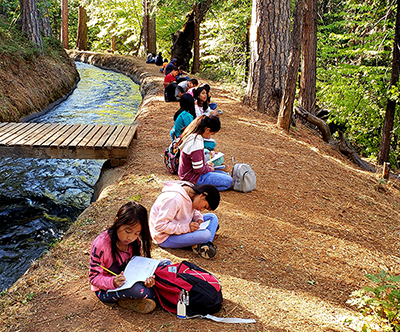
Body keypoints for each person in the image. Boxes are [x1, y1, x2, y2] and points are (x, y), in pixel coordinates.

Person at [89, 201, 170, 313]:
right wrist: (112, 282)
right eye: (128, 231)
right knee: (137, 290)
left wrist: (147, 278)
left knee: (166, 264)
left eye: (137, 233)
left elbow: (137, 264)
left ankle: (146, 295)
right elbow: (94, 278)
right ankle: (160, 294)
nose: (131, 237)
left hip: (130, 279)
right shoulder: (100, 245)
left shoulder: (134, 242)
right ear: (117, 222)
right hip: (106, 289)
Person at [149, 181, 220, 259]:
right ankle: (203, 242)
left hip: (180, 222)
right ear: (203, 195)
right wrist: (187, 227)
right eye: (205, 206)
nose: (202, 210)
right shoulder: (174, 199)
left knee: (212, 217)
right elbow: (160, 226)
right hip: (165, 236)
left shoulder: (192, 192)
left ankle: (206, 244)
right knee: (206, 234)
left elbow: (192, 208)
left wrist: (198, 218)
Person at [177, 115, 233, 191]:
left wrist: (206, 166)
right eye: (211, 134)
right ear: (207, 130)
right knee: (229, 181)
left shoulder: (192, 136)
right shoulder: (196, 142)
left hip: (188, 174)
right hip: (193, 177)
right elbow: (198, 169)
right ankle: (198, 188)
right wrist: (209, 169)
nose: (210, 137)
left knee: (226, 175)